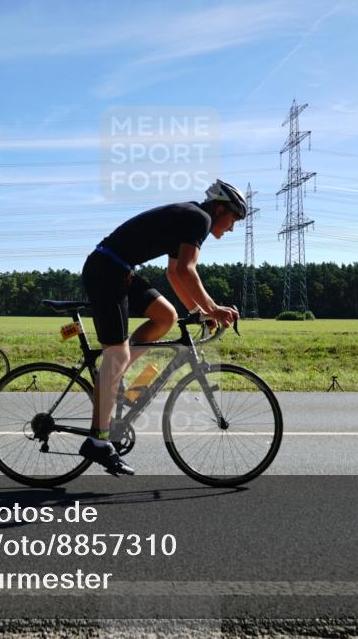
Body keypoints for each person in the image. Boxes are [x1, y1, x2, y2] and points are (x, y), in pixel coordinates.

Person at [79, 179, 247, 475]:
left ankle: (114, 377)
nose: (232, 227)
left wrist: (197, 311)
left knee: (166, 317)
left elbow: (174, 273)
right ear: (221, 208)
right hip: (107, 271)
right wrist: (212, 309)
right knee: (115, 357)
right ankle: (98, 441)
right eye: (233, 219)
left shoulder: (193, 218)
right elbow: (186, 270)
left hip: (118, 269)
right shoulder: (200, 218)